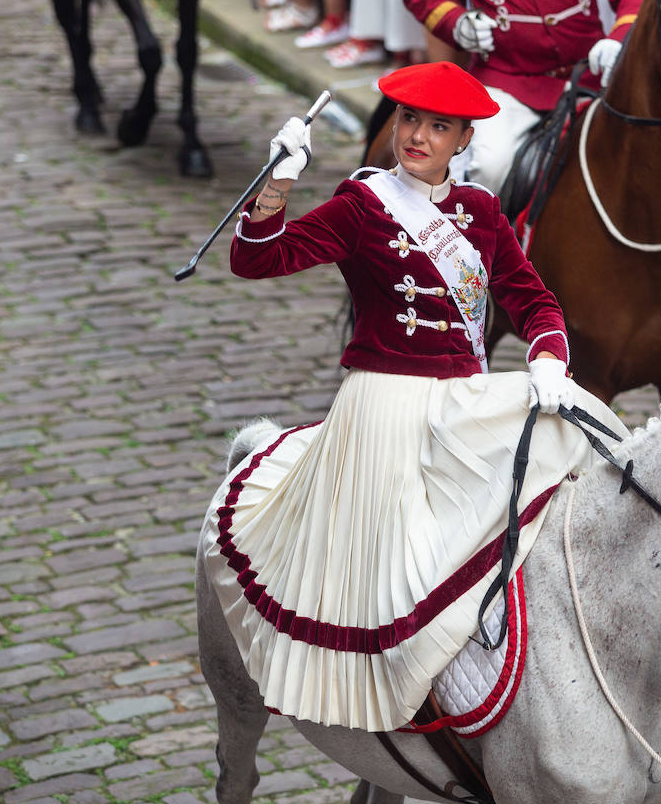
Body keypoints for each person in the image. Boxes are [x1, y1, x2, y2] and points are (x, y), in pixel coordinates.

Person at [207, 62, 617, 731]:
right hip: (385, 405)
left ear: (464, 140)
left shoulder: (481, 212)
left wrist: (548, 358)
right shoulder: (362, 205)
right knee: (394, 570)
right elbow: (257, 259)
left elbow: (534, 302)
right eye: (408, 119)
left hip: (464, 398)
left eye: (438, 126)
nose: (417, 136)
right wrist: (278, 183)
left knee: (578, 439)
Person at [401, 0, 651, 192]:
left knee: (641, 159)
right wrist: (456, 23)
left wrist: (621, 37)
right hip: (503, 77)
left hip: (589, 75)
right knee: (490, 167)